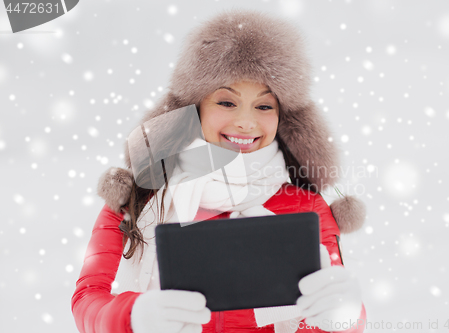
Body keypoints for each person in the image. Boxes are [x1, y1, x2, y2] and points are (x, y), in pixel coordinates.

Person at [71, 9, 367, 333]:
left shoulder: (307, 207)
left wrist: (344, 317)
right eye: (226, 102)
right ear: (194, 108)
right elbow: (88, 299)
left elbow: (332, 314)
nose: (246, 121)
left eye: (264, 106)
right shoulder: (138, 199)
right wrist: (132, 316)